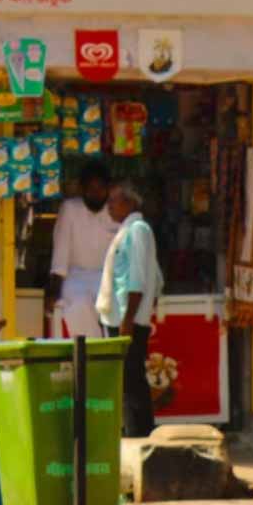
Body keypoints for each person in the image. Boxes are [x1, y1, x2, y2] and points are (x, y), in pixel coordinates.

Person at [96, 181, 162, 438]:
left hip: (126, 319)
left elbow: (137, 280)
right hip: (122, 317)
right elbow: (155, 277)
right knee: (127, 379)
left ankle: (139, 435)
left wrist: (128, 320)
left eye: (114, 200)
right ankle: (136, 432)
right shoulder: (129, 230)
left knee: (130, 380)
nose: (109, 206)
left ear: (130, 203)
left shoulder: (137, 230)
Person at [44, 160, 117, 340]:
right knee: (79, 305)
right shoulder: (70, 209)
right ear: (81, 189)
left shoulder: (115, 210)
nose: (95, 194)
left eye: (101, 188)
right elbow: (61, 254)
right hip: (75, 277)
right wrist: (53, 291)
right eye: (90, 189)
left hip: (107, 277)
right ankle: (92, 354)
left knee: (111, 307)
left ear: (108, 189)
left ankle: (107, 353)